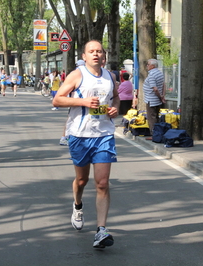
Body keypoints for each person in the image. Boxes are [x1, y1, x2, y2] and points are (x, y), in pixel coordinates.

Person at [53, 40, 119, 248]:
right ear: (84, 56)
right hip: (80, 135)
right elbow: (57, 99)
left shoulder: (110, 76)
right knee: (82, 181)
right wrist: (83, 102)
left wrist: (115, 109)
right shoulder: (77, 75)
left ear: (104, 56)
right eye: (92, 52)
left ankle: (101, 230)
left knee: (102, 183)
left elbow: (115, 98)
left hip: (104, 135)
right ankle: (78, 205)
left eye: (99, 51)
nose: (96, 55)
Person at [143, 58, 165, 138]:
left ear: (152, 66)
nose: (147, 66)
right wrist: (163, 96)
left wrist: (160, 96)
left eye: (148, 64)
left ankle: (154, 135)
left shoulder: (152, 75)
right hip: (157, 100)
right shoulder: (160, 73)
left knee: (151, 118)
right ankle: (158, 133)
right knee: (156, 116)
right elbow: (163, 85)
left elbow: (155, 88)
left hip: (151, 99)